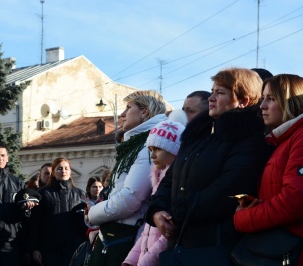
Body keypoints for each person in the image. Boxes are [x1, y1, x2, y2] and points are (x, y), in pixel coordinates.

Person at [146, 68, 273, 263]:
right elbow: (170, 179)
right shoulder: (197, 134)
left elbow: (230, 190)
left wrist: (178, 212)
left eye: (220, 93)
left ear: (243, 101)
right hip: (180, 245)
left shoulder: (249, 139)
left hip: (216, 246)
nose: (211, 98)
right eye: (212, 91)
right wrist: (157, 211)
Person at [85, 90, 169, 266]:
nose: (122, 114)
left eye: (128, 108)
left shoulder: (148, 146)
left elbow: (130, 198)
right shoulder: (135, 145)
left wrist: (93, 213)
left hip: (128, 237)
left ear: (145, 112)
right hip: (117, 234)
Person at [233, 74, 303, 264]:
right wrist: (258, 203)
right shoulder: (282, 141)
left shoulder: (300, 137)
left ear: (293, 102)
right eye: (263, 98)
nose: (262, 106)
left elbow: (295, 200)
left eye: (271, 99)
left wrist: (244, 218)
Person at [123, 118, 186, 266]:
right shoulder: (157, 178)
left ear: (174, 149)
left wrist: (145, 262)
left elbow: (167, 233)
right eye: (150, 150)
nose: (152, 155)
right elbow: (148, 229)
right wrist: (131, 260)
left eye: (157, 149)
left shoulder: (176, 182)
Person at [28, 157, 87, 266]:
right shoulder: (43, 193)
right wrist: (34, 249)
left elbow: (86, 222)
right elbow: (34, 223)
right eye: (59, 168)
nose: (63, 171)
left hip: (73, 248)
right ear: (53, 173)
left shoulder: (80, 194)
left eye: (66, 168)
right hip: (50, 249)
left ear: (70, 171)